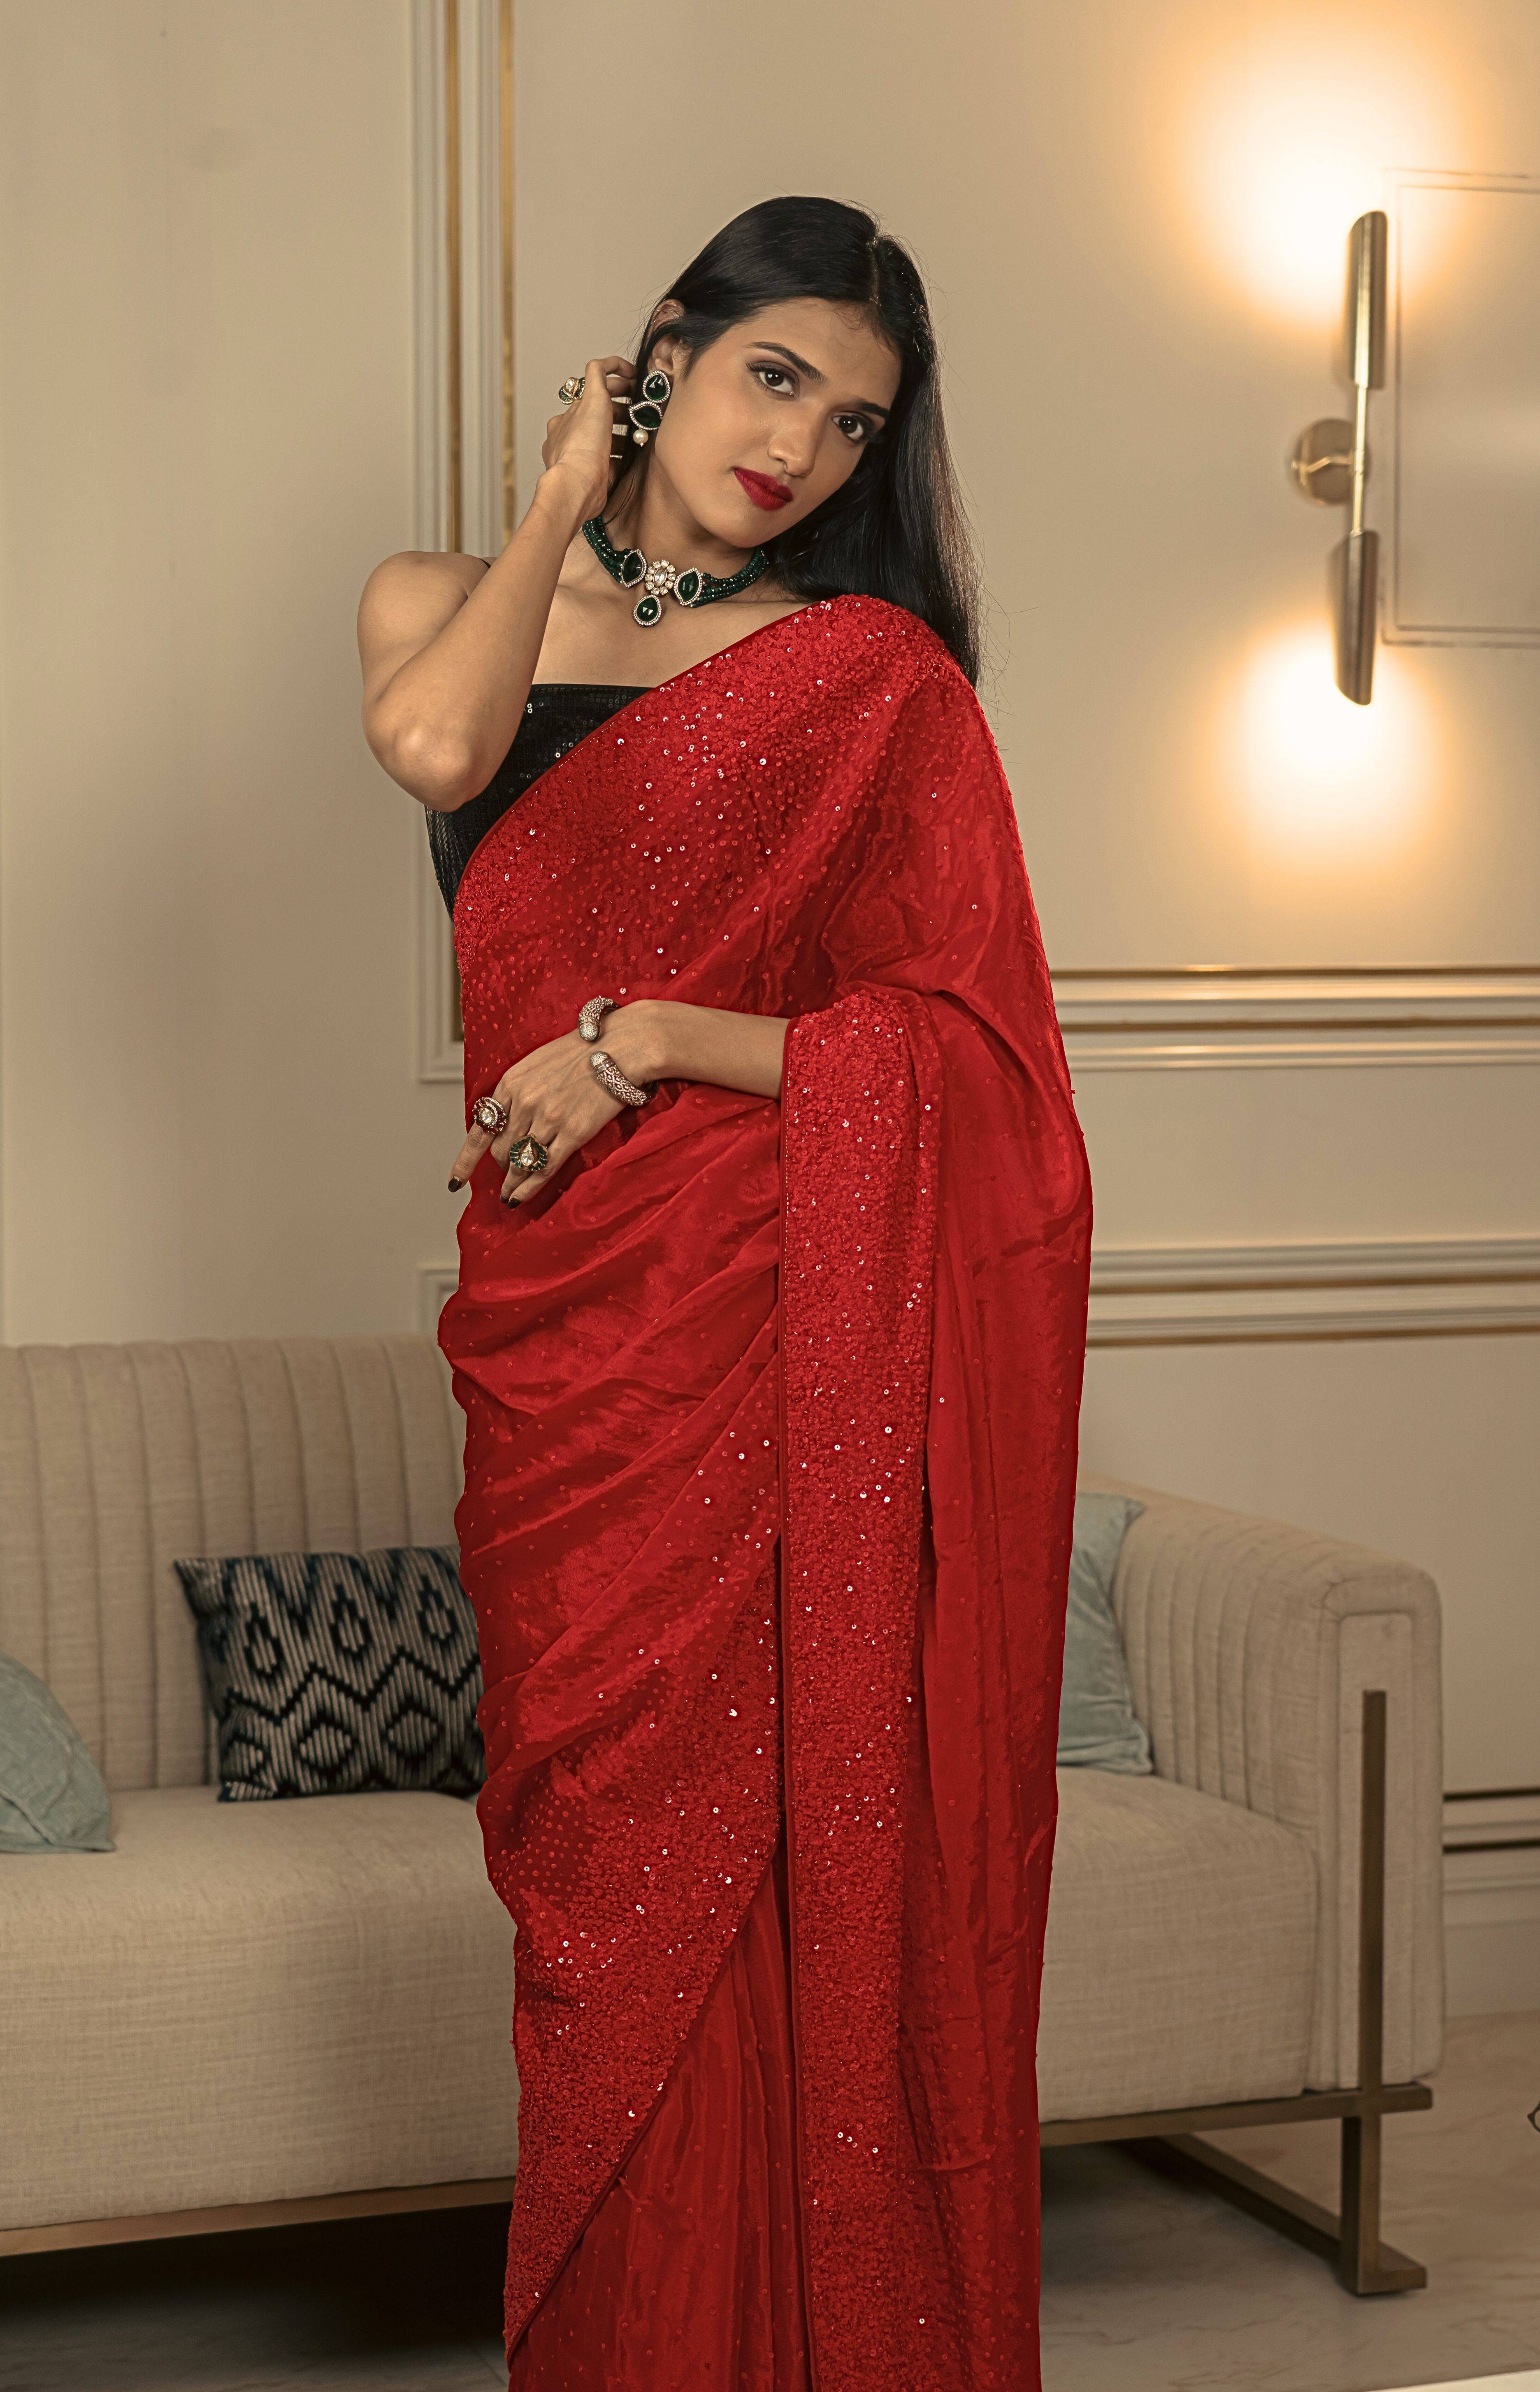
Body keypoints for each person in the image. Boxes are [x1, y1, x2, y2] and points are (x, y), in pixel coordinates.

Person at [357, 194, 1092, 2392]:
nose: (802, 449)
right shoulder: (440, 601)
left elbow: (975, 1070)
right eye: (776, 376)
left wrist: (648, 1037)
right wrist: (563, 499)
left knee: (770, 1876)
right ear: (668, 348)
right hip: (561, 1341)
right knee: (603, 1901)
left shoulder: (869, 682)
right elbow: (433, 751)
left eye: (854, 425)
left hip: (764, 1319)